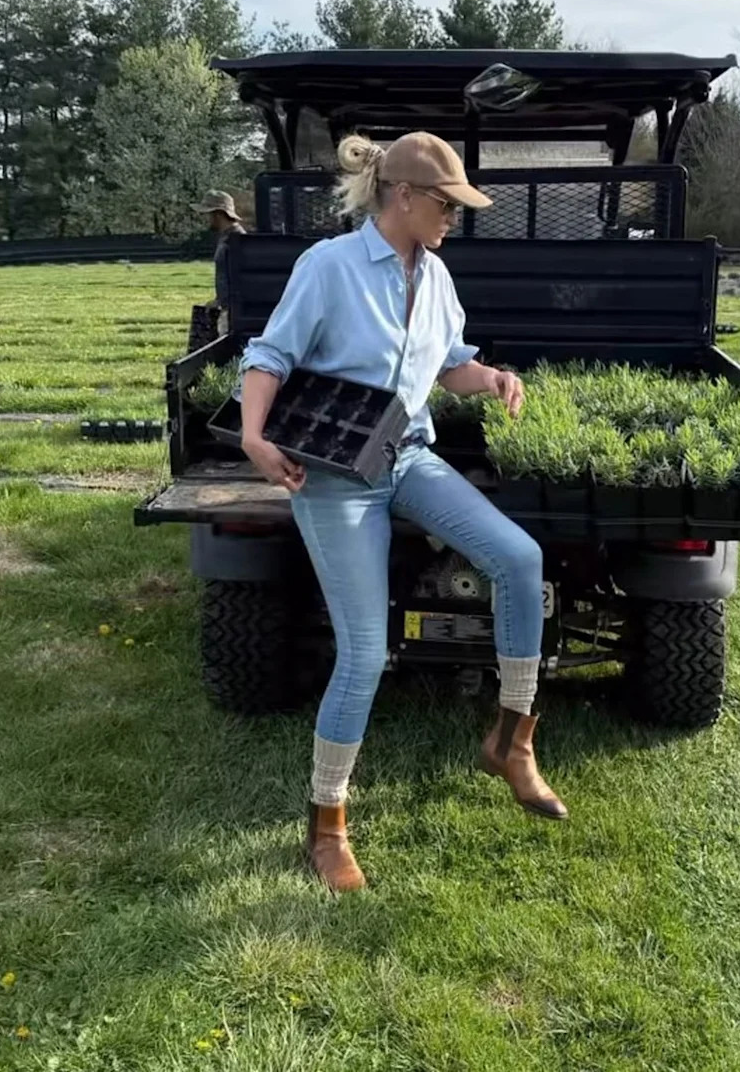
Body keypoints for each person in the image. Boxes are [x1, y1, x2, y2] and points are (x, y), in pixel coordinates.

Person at [239, 132, 567, 894]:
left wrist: (489, 378)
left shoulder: (439, 274)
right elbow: (269, 355)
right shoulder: (330, 268)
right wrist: (255, 437)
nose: (455, 215)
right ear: (405, 197)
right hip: (334, 475)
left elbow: (446, 363)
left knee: (519, 560)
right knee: (364, 650)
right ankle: (326, 825)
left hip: (408, 456)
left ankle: (512, 741)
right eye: (447, 202)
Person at [190, 190, 248, 336]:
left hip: (234, 313)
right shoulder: (226, 238)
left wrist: (223, 302)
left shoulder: (237, 240)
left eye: (208, 215)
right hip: (227, 309)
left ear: (218, 214)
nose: (207, 220)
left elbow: (239, 279)